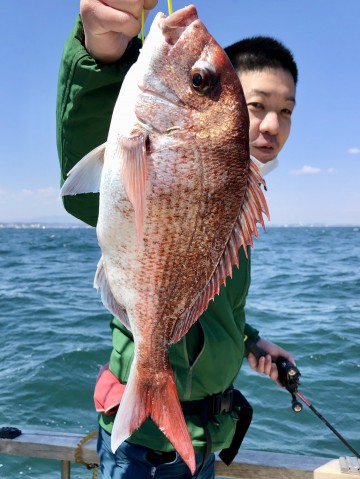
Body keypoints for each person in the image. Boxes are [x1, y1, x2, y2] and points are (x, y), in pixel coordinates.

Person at [56, 1, 298, 478]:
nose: (271, 124)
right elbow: (88, 175)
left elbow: (210, 304)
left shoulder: (232, 210)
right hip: (143, 449)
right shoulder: (160, 155)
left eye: (285, 111)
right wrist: (100, 55)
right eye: (256, 106)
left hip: (209, 437)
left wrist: (251, 343)